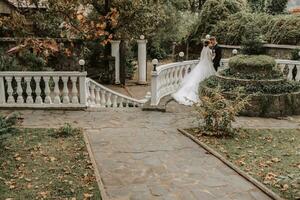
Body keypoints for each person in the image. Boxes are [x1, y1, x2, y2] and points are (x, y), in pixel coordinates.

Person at [171, 40, 216, 106]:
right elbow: (210, 59)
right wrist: (213, 56)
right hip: (206, 65)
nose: (211, 44)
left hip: (201, 64)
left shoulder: (203, 49)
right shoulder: (209, 50)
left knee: (196, 78)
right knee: (205, 78)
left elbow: (202, 58)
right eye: (210, 43)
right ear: (208, 44)